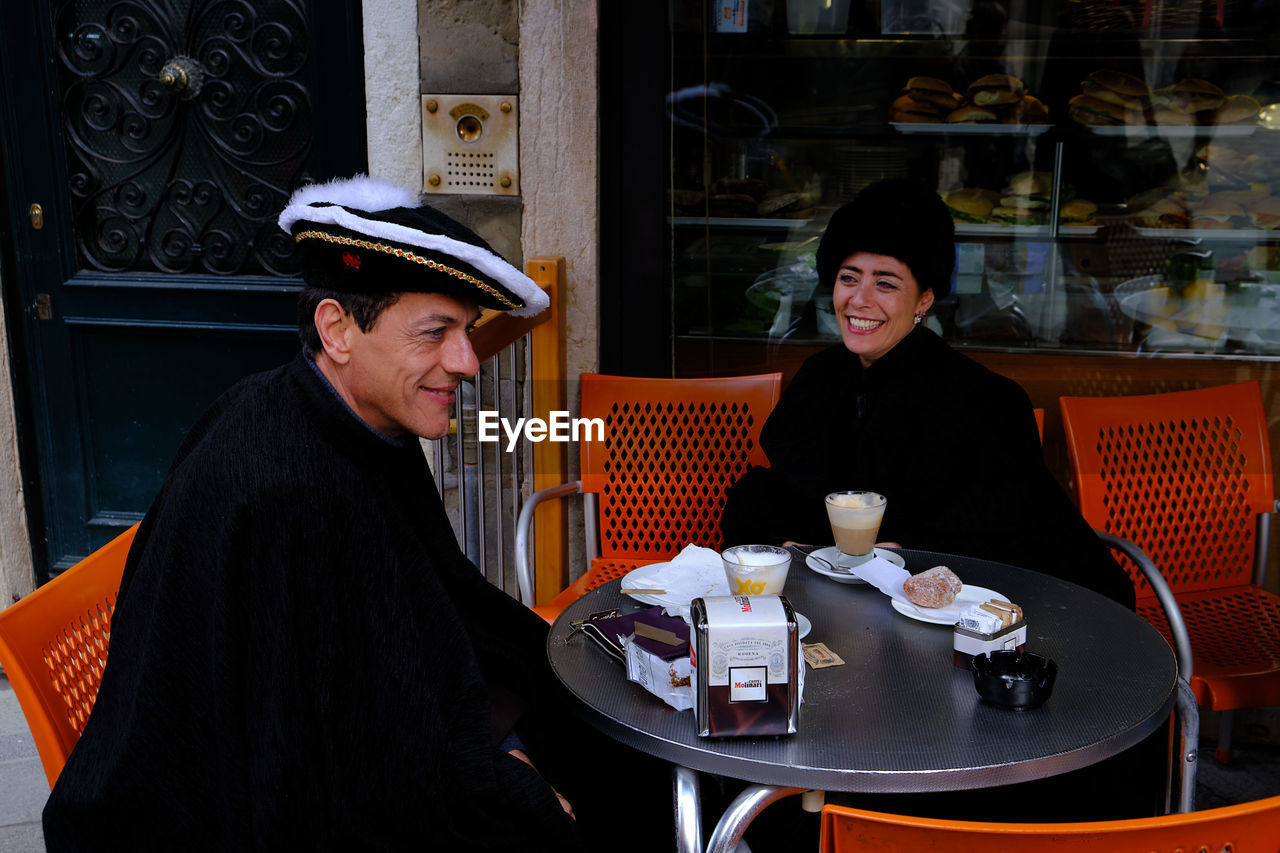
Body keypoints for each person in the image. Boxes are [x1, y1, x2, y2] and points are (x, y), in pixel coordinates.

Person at [43, 176, 658, 850]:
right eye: (436, 333)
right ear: (337, 328)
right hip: (219, 809)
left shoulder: (354, 420)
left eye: (467, 331)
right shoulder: (284, 490)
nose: (464, 361)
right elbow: (320, 763)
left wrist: (506, 731)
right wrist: (500, 771)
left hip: (381, 747)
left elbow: (422, 626)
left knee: (628, 752)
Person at [720, 178, 1135, 609]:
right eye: (849, 278)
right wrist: (782, 541)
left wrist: (909, 552)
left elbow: (1009, 536)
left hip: (951, 623)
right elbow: (778, 494)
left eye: (886, 283)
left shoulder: (986, 400)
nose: (859, 300)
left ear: (924, 300)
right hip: (838, 611)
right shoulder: (819, 378)